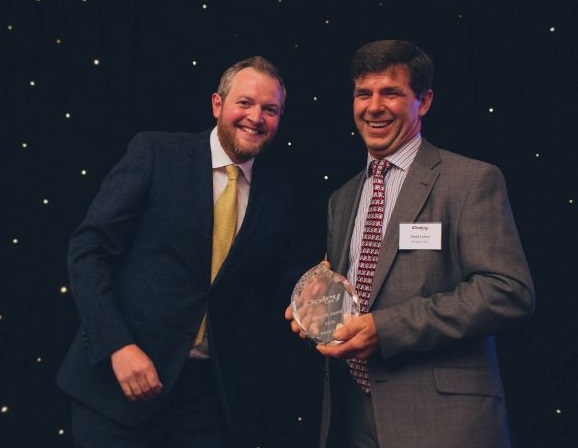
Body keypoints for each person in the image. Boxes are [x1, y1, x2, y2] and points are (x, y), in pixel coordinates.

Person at [285, 39, 535, 448]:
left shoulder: (470, 180)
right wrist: (313, 305)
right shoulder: (342, 199)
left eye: (391, 93)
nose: (374, 106)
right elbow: (352, 286)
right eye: (363, 94)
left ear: (425, 100)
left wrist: (386, 329)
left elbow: (508, 292)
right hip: (352, 420)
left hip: (444, 422)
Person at [58, 55, 293, 448]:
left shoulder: (279, 194)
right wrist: (117, 346)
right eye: (245, 103)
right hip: (118, 387)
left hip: (204, 399)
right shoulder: (156, 152)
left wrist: (316, 287)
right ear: (218, 104)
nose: (256, 117)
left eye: (270, 110)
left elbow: (269, 285)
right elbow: (89, 250)